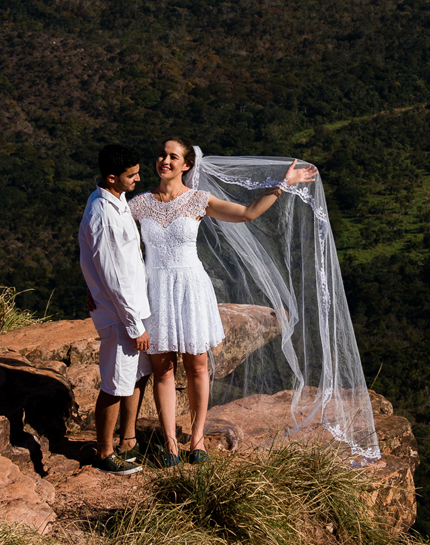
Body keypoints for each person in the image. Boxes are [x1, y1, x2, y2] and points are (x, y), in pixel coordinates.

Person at [129, 137, 318, 465]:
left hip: (190, 288)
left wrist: (282, 185)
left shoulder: (198, 200)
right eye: (162, 154)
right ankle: (171, 443)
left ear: (186, 165)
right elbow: (116, 246)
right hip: (155, 289)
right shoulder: (139, 204)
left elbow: (247, 214)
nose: (165, 161)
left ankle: (197, 438)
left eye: (173, 157)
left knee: (197, 365)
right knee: (163, 369)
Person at [79, 144, 152, 475]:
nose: (138, 178)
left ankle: (128, 441)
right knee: (114, 382)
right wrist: (135, 326)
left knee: (135, 376)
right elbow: (113, 275)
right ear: (112, 177)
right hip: (120, 315)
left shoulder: (114, 200)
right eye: (131, 175)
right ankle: (105, 452)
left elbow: (96, 260)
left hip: (129, 307)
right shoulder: (104, 213)